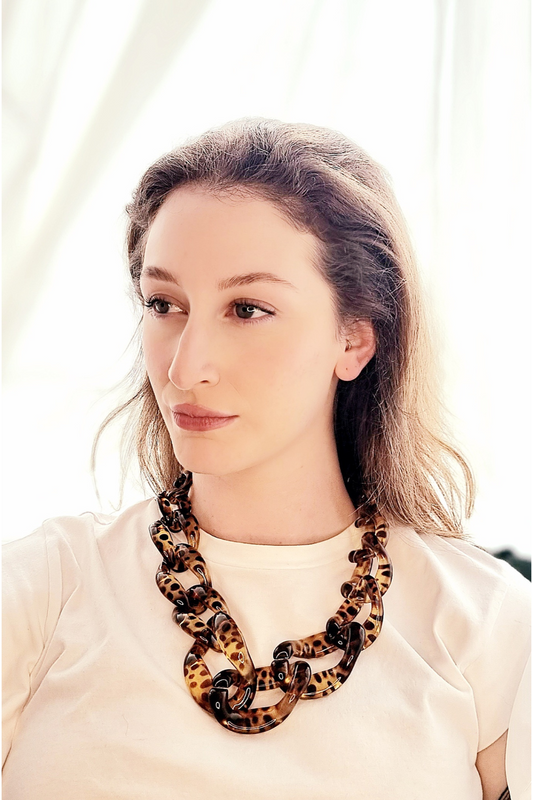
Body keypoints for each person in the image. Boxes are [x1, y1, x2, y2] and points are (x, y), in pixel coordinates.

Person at [2, 118, 530, 800]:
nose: (185, 367)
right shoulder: (44, 591)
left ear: (354, 341)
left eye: (246, 309)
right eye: (164, 304)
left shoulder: (486, 625)